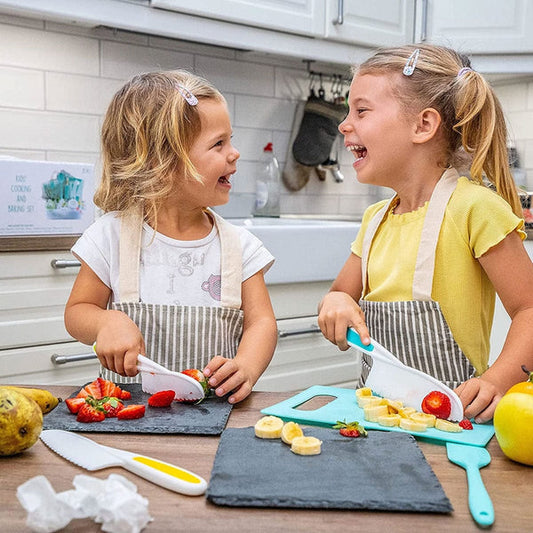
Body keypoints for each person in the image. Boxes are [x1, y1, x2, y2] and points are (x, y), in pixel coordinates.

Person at [318, 44, 533, 423]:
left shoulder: (474, 209)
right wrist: (336, 304)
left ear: (423, 125)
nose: (344, 124)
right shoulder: (374, 220)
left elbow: (529, 309)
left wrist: (499, 381)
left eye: (361, 110)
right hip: (375, 421)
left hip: (455, 422)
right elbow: (339, 293)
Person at [64, 70, 278, 404]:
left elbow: (262, 322)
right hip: (127, 413)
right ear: (163, 162)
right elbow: (78, 311)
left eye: (230, 141)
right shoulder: (111, 236)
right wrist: (107, 321)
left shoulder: (240, 247)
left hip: (215, 412)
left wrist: (246, 366)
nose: (234, 153)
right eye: (219, 143)